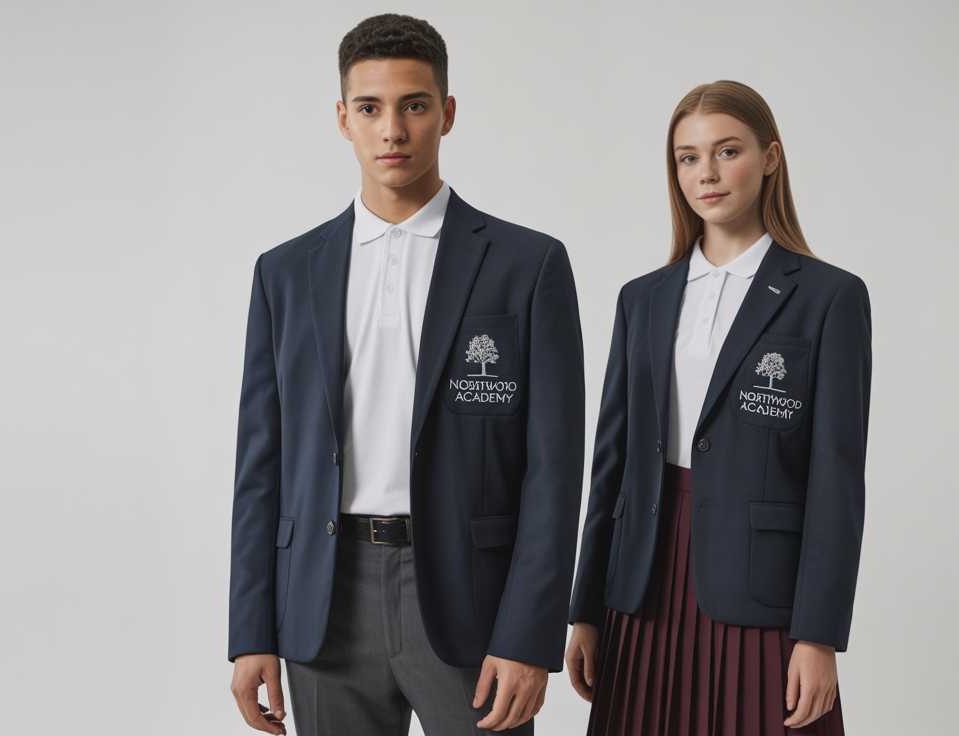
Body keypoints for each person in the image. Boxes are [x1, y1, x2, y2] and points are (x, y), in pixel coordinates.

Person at [227, 14, 585, 736]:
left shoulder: (528, 266)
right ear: (342, 119)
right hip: (324, 600)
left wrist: (528, 634)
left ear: (447, 113)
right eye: (370, 108)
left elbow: (553, 469)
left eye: (414, 106)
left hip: (470, 597)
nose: (392, 129)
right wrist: (250, 629)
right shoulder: (286, 273)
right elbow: (259, 465)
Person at [564, 80, 870, 735]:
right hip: (643, 585)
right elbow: (610, 465)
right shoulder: (640, 299)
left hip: (762, 594)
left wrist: (819, 635)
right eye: (687, 157)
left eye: (726, 151)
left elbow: (835, 482)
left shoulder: (829, 298)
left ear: (770, 158)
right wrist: (585, 608)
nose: (706, 173)